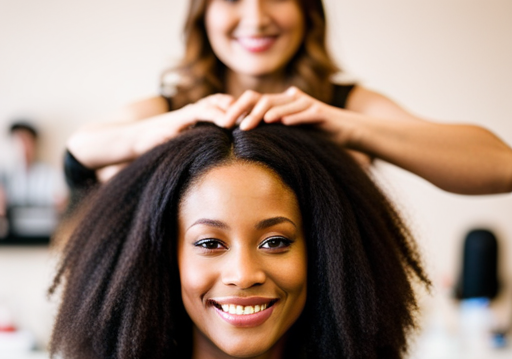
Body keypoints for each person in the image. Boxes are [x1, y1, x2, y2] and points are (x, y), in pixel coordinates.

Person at [23, 123, 436, 359]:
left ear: (327, 258)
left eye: (275, 241)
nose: (244, 274)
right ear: (163, 261)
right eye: (209, 242)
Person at [65, 0, 512, 196]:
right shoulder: (169, 110)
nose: (256, 17)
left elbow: (500, 166)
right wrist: (157, 131)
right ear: (204, 15)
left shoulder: (347, 106)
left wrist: (347, 125)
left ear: (306, 10)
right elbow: (80, 151)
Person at [0, 121, 67, 241]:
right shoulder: (4, 176)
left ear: (35, 143)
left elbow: (61, 204)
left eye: (26, 141)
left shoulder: (51, 174)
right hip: (13, 239)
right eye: (18, 142)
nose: (23, 147)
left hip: (45, 236)